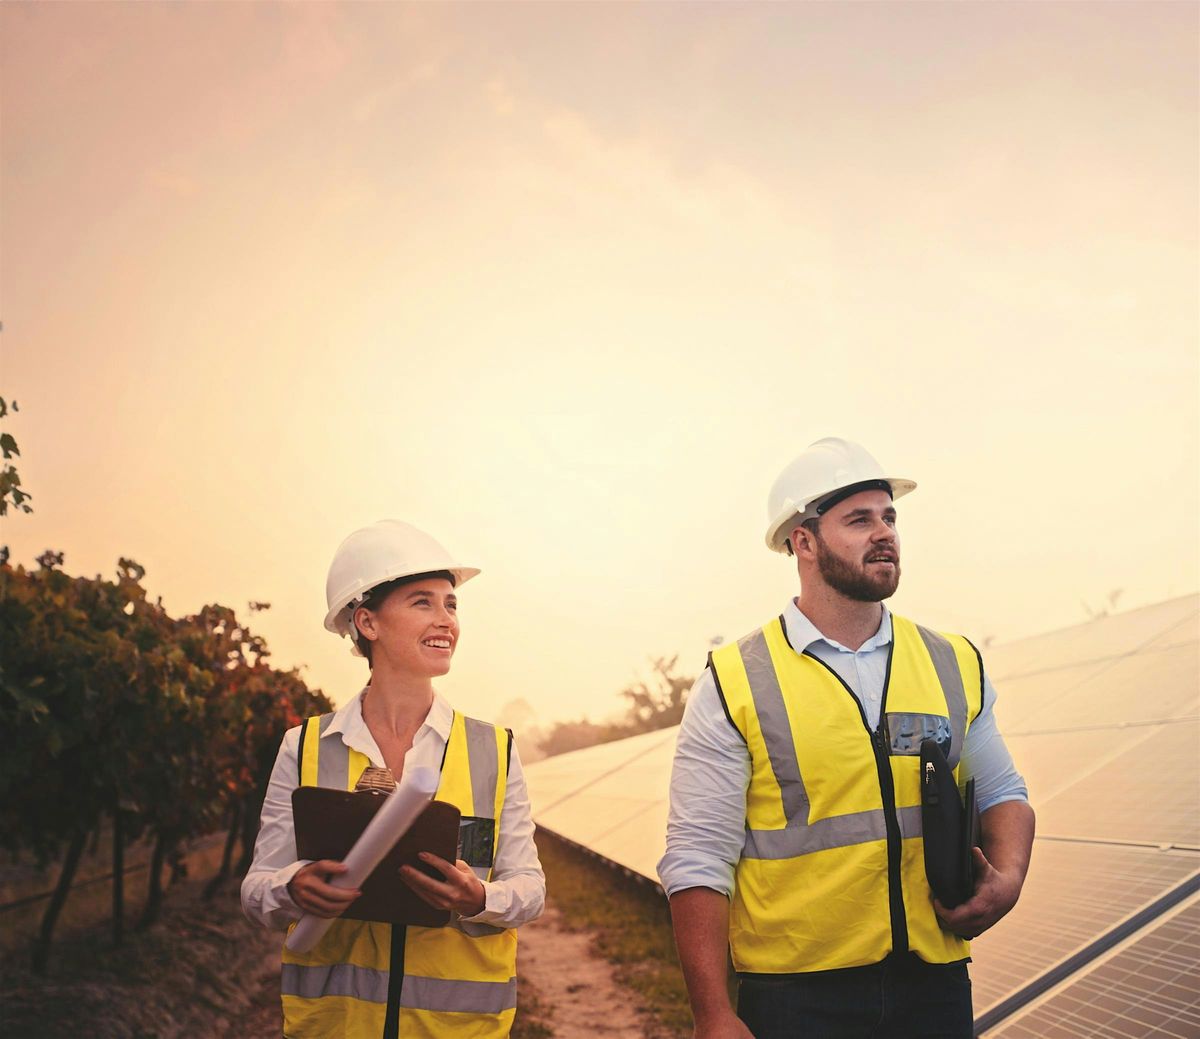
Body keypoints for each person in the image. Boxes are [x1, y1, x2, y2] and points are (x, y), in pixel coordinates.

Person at [658, 438, 1034, 1039]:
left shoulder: (953, 661)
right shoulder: (735, 680)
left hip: (934, 985)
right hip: (796, 997)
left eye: (889, 517)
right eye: (859, 519)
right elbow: (698, 856)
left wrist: (1008, 877)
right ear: (802, 542)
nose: (883, 532)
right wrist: (712, 1013)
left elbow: (1003, 791)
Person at [242, 519, 544, 1039]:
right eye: (422, 602)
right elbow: (256, 890)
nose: (446, 619)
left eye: (451, 604)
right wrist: (293, 887)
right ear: (368, 622)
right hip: (335, 1028)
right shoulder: (305, 746)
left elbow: (529, 887)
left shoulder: (495, 750)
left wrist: (478, 899)